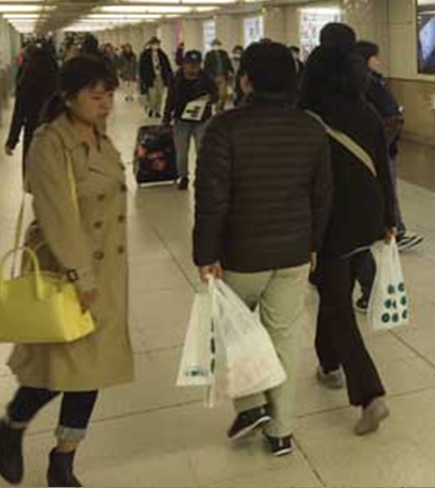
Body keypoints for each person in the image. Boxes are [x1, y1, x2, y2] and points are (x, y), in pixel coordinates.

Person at [0, 55, 133, 488]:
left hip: (106, 272)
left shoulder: (100, 136)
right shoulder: (49, 143)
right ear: (69, 97)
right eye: (95, 95)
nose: (105, 102)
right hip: (68, 271)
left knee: (91, 371)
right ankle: (11, 425)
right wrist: (82, 278)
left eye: (109, 94)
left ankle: (63, 459)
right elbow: (58, 218)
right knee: (59, 372)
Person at [193, 42, 332, 458]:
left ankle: (251, 405)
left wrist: (205, 254)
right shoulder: (311, 128)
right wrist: (313, 244)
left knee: (234, 329)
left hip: (241, 255)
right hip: (293, 253)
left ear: (245, 80)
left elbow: (212, 199)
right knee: (284, 338)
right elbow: (322, 194)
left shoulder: (224, 128)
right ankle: (281, 430)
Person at [300, 42, 393, 435]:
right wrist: (389, 218)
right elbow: (383, 168)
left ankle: (370, 394)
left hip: (330, 223)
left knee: (338, 303)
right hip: (367, 217)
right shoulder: (366, 111)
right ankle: (328, 364)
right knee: (334, 292)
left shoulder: (307, 117)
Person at [356, 40, 423, 254]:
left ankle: (388, 228)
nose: (378, 61)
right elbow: (388, 113)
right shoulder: (371, 84)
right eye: (375, 57)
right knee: (388, 189)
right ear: (367, 59)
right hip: (383, 146)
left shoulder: (365, 82)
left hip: (377, 145)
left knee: (382, 189)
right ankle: (397, 231)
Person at [163, 50, 217, 191]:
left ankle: (202, 177)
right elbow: (170, 98)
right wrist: (166, 118)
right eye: (190, 64)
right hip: (181, 120)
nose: (193, 68)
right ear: (184, 64)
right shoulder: (176, 78)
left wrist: (209, 99)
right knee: (181, 152)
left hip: (202, 120)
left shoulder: (206, 78)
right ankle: (183, 177)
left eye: (196, 65)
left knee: (202, 151)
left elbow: (215, 95)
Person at [5, 42, 59, 170]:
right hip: (54, 131)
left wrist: (12, 141)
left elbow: (19, 112)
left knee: (32, 168)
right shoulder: (56, 75)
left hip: (33, 129)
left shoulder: (27, 78)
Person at [138, 38, 173, 118]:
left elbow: (167, 66)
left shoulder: (162, 54)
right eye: (154, 44)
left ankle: (157, 110)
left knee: (160, 94)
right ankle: (151, 108)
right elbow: (141, 68)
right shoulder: (145, 55)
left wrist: (169, 77)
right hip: (150, 77)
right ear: (151, 44)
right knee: (152, 95)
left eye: (157, 44)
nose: (156, 45)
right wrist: (142, 79)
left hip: (161, 77)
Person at [204, 40, 235, 112]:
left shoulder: (224, 53)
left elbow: (228, 63)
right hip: (213, 77)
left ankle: (220, 107)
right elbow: (206, 66)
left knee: (223, 94)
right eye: (215, 44)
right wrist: (209, 75)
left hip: (223, 76)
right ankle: (218, 109)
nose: (216, 46)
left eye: (217, 44)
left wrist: (231, 71)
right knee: (216, 94)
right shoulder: (209, 54)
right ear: (212, 45)